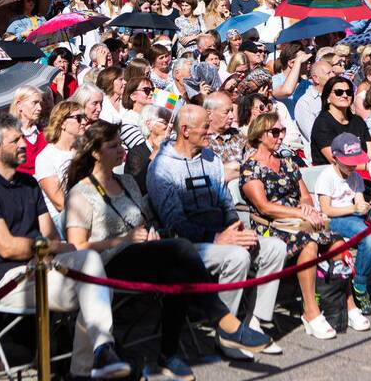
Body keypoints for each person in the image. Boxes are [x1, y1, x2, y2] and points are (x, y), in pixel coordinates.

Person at [65, 121, 270, 379]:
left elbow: (139, 223)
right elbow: (78, 248)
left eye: (121, 144)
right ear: (95, 153)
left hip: (142, 255)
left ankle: (169, 354)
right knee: (182, 250)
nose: (121, 150)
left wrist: (146, 234)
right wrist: (123, 240)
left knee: (179, 275)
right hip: (104, 267)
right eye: (113, 146)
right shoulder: (81, 193)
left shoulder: (127, 182)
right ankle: (225, 322)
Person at [0, 113, 130, 379]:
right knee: (95, 285)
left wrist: (52, 248)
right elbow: (8, 248)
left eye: (22, 139)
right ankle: (89, 364)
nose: (23, 145)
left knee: (91, 269)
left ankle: (99, 353)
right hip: (9, 280)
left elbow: (50, 236)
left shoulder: (28, 184)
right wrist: (51, 248)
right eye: (15, 140)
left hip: (44, 269)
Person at [147, 104, 285, 357]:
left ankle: (255, 322)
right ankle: (227, 332)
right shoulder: (162, 168)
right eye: (205, 128)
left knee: (275, 247)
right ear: (185, 130)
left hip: (221, 234)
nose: (210, 132)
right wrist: (216, 238)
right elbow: (174, 220)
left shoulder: (211, 159)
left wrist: (233, 224)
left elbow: (224, 199)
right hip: (186, 246)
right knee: (237, 256)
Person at [240, 113, 336, 340]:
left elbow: (305, 196)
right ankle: (311, 312)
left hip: (298, 221)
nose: (280, 136)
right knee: (309, 243)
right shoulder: (250, 168)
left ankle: (346, 306)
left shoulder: (287, 162)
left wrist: (307, 209)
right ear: (260, 135)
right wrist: (299, 212)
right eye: (275, 132)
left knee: (337, 240)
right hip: (271, 226)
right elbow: (264, 207)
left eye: (282, 131)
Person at [316, 131, 371, 318]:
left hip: (357, 216)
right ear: (335, 157)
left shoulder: (355, 176)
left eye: (355, 161)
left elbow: (359, 202)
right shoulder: (327, 176)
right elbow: (326, 210)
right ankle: (360, 283)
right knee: (369, 238)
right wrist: (355, 208)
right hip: (336, 219)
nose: (352, 166)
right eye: (349, 162)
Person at [34, 101, 85, 214]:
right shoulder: (46, 158)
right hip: (66, 218)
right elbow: (60, 203)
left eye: (84, 117)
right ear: (62, 123)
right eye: (78, 118)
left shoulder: (84, 150)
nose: (84, 122)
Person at [310, 76, 371, 165]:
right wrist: (369, 167)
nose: (345, 95)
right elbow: (336, 161)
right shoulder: (322, 123)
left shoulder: (358, 121)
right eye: (338, 92)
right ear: (327, 97)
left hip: (364, 172)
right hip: (334, 175)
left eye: (349, 92)